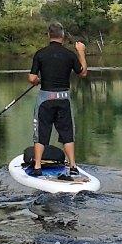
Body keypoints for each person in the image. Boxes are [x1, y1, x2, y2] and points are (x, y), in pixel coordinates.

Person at [27, 22, 88, 178]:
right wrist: (81, 52)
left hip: (45, 99)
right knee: (67, 134)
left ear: (49, 35)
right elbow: (82, 73)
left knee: (41, 133)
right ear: (63, 36)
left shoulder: (40, 54)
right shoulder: (70, 55)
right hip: (63, 99)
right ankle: (73, 166)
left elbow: (32, 78)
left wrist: (37, 81)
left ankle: (38, 166)